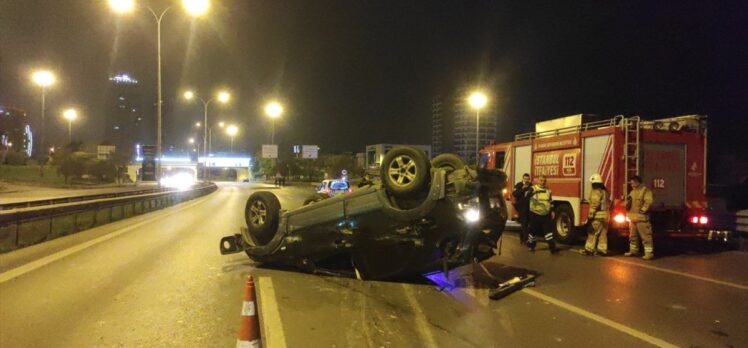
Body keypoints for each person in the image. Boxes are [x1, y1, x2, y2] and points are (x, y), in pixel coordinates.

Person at [625, 175, 655, 260]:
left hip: (642, 219)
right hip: (632, 218)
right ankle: (633, 251)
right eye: (631, 183)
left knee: (646, 237)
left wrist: (643, 211)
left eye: (633, 183)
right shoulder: (632, 192)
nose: (631, 184)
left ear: (637, 182)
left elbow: (648, 202)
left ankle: (649, 253)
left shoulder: (645, 191)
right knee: (632, 236)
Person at [526, 175, 558, 253]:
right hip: (535, 213)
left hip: (545, 214)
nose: (543, 182)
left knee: (548, 232)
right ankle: (531, 245)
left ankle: (552, 248)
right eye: (541, 180)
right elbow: (527, 195)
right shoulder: (533, 188)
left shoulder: (548, 190)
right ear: (538, 181)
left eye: (544, 181)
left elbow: (550, 201)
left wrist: (552, 211)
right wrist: (532, 193)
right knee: (533, 231)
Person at [581, 174, 610, 256]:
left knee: (592, 232)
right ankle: (602, 250)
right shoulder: (605, 191)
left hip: (598, 216)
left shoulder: (596, 191)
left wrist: (590, 215)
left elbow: (594, 204)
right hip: (606, 216)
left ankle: (589, 249)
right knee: (603, 234)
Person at [512, 173, 532, 244]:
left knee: (527, 224)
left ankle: (522, 237)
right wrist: (522, 189)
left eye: (528, 179)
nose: (527, 180)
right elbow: (514, 194)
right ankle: (525, 239)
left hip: (529, 207)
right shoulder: (519, 185)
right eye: (525, 179)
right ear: (523, 179)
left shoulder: (531, 186)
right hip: (521, 207)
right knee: (524, 223)